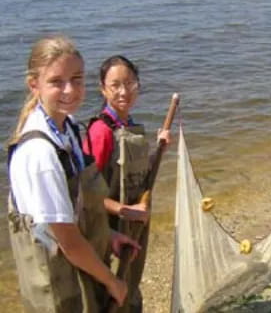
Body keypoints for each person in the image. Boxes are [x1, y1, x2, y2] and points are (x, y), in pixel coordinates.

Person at [7, 35, 140, 312]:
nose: (70, 90)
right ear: (35, 85)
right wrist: (113, 282)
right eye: (57, 81)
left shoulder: (67, 127)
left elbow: (78, 207)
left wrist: (109, 235)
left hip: (81, 264)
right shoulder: (40, 154)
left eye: (77, 79)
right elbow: (67, 241)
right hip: (59, 280)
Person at [83, 55, 171, 312]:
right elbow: (85, 194)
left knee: (131, 287)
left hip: (134, 225)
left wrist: (159, 150)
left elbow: (138, 175)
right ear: (103, 89)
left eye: (130, 83)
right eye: (115, 85)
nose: (124, 91)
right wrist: (124, 210)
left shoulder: (129, 125)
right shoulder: (100, 132)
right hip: (110, 231)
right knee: (114, 295)